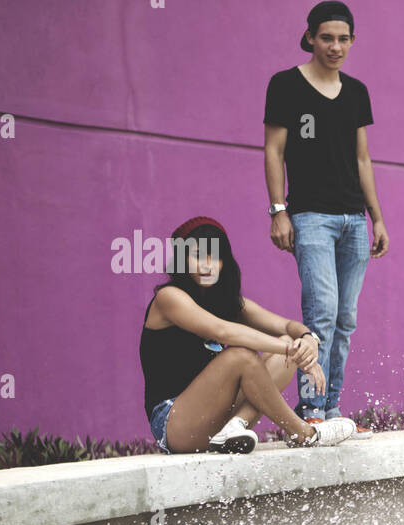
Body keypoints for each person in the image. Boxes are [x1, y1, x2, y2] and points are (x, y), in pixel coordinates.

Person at [264, 1, 388, 438]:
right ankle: (311, 409)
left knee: (345, 319)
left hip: (354, 219)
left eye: (343, 38)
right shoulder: (285, 85)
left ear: (352, 41)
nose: (335, 46)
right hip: (310, 217)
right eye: (327, 37)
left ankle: (332, 406)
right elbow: (274, 151)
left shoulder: (356, 92)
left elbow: (363, 158)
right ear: (311, 38)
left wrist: (376, 218)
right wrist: (279, 211)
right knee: (321, 314)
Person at [140, 216, 357, 454]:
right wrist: (291, 350)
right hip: (175, 424)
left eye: (216, 256)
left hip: (215, 419)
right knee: (242, 357)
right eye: (197, 255)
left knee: (284, 344)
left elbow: (286, 326)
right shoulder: (169, 297)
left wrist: (307, 339)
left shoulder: (227, 302)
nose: (207, 265)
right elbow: (223, 331)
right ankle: (303, 433)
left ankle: (235, 425)